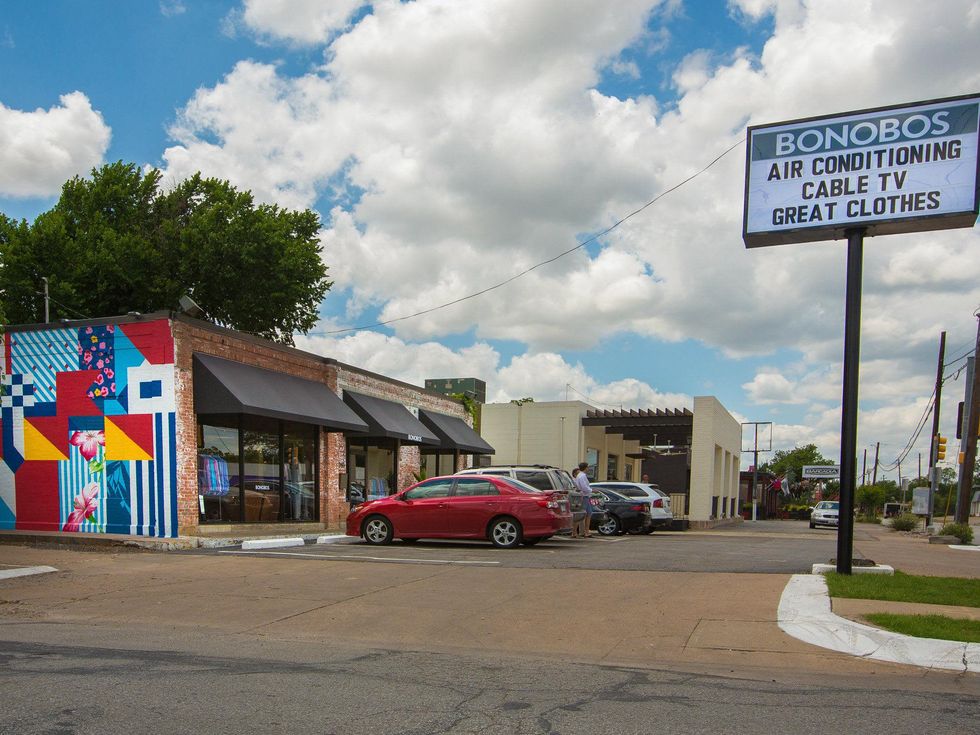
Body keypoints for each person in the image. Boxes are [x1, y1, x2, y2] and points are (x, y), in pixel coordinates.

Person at [575, 461, 593, 538]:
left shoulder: (581, 475)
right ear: (585, 468)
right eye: (588, 467)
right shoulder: (582, 476)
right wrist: (592, 490)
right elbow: (583, 487)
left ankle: (586, 531)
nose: (588, 469)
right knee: (580, 514)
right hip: (583, 496)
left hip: (586, 496)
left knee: (589, 513)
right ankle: (574, 532)